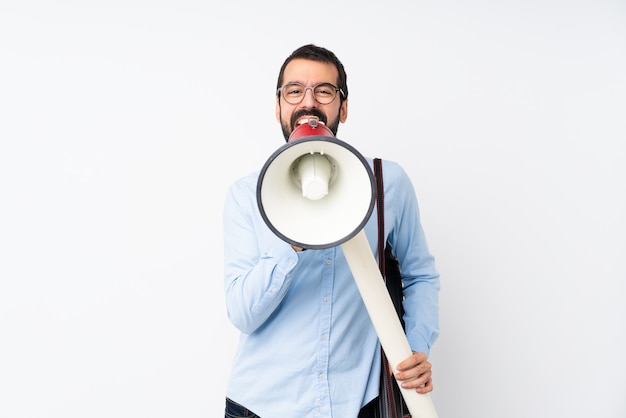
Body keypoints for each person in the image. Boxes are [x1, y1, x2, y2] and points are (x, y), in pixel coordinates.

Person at [223, 44, 440, 417]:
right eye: (294, 91)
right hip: (262, 406)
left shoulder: (387, 183)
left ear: (343, 107)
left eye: (324, 91)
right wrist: (290, 238)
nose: (308, 102)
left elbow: (420, 275)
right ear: (278, 107)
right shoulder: (246, 194)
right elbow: (243, 313)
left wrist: (415, 346)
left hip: (357, 404)